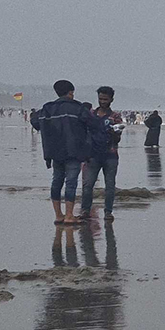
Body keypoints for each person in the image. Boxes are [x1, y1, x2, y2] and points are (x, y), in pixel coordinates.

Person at [32, 80, 99, 226]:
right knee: (71, 182)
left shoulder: (47, 108)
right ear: (71, 92)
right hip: (73, 150)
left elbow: (35, 121)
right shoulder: (77, 108)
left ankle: (58, 215)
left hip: (54, 151)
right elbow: (93, 124)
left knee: (56, 181)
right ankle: (69, 215)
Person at [80, 86, 125, 219]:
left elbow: (118, 139)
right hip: (92, 155)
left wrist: (114, 133)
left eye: (105, 99)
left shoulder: (115, 117)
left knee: (110, 185)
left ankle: (108, 211)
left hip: (110, 155)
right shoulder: (91, 114)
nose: (103, 101)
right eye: (100, 99)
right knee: (87, 185)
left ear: (111, 99)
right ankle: (85, 210)